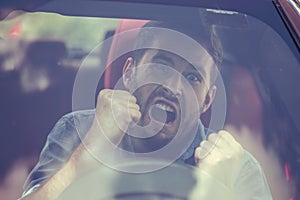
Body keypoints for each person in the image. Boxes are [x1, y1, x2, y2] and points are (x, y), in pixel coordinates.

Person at [20, 20, 272, 199]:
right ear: (129, 72)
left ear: (207, 100)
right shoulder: (78, 130)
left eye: (193, 78)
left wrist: (221, 189)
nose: (173, 86)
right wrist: (89, 152)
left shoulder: (234, 165)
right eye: (162, 65)